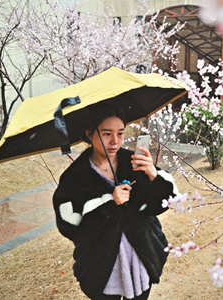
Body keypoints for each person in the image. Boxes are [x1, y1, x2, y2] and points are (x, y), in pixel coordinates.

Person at [53, 103, 178, 300]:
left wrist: (154, 176)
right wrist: (109, 203)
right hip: (101, 263)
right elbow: (71, 227)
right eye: (106, 134)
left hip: (141, 255)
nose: (115, 141)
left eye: (120, 133)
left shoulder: (133, 162)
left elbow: (158, 204)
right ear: (89, 134)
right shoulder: (75, 177)